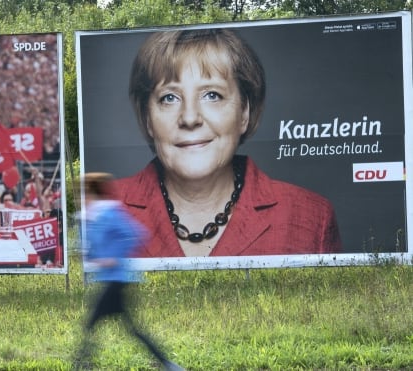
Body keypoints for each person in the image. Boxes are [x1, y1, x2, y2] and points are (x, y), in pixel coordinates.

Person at [116, 29, 342, 257]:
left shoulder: (312, 217)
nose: (190, 118)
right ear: (148, 120)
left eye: (212, 95)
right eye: (169, 98)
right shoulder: (103, 209)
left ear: (244, 112)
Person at [74, 173, 183, 371]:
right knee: (131, 330)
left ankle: (79, 366)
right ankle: (169, 365)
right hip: (110, 281)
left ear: (93, 192)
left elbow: (136, 233)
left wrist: (114, 258)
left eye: (84, 192)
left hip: (117, 280)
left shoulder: (110, 213)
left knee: (90, 325)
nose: (81, 197)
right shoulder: (90, 217)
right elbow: (89, 250)